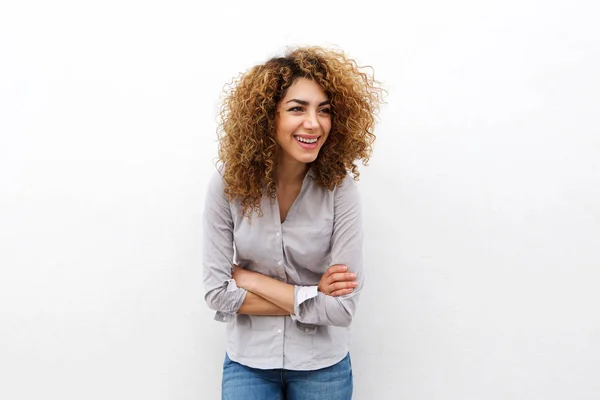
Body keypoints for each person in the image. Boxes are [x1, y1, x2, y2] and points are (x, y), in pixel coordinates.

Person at [203, 45, 384, 399]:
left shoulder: (340, 188)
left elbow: (342, 308)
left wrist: (251, 279)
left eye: (324, 110)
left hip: (323, 367)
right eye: (297, 109)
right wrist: (316, 297)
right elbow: (216, 293)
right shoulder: (229, 184)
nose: (313, 123)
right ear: (267, 117)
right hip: (248, 364)